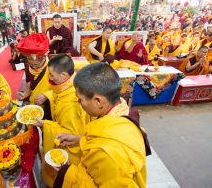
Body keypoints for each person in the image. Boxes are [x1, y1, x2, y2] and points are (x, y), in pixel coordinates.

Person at [53, 63, 147, 187]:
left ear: (98, 101)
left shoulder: (109, 154)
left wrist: (67, 172)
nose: (79, 103)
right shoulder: (122, 111)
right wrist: (79, 139)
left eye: (80, 99)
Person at [33, 54, 90, 187]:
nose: (50, 78)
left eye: (52, 74)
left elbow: (70, 135)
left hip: (71, 152)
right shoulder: (70, 82)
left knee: (64, 179)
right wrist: (47, 96)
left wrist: (45, 124)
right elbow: (55, 93)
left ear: (64, 76)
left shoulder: (71, 103)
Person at [16, 33, 51, 106]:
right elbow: (30, 85)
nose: (33, 67)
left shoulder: (52, 67)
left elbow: (61, 88)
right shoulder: (28, 67)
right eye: (31, 64)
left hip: (49, 103)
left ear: (44, 58)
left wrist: (46, 96)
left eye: (35, 64)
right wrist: (25, 93)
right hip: (34, 102)